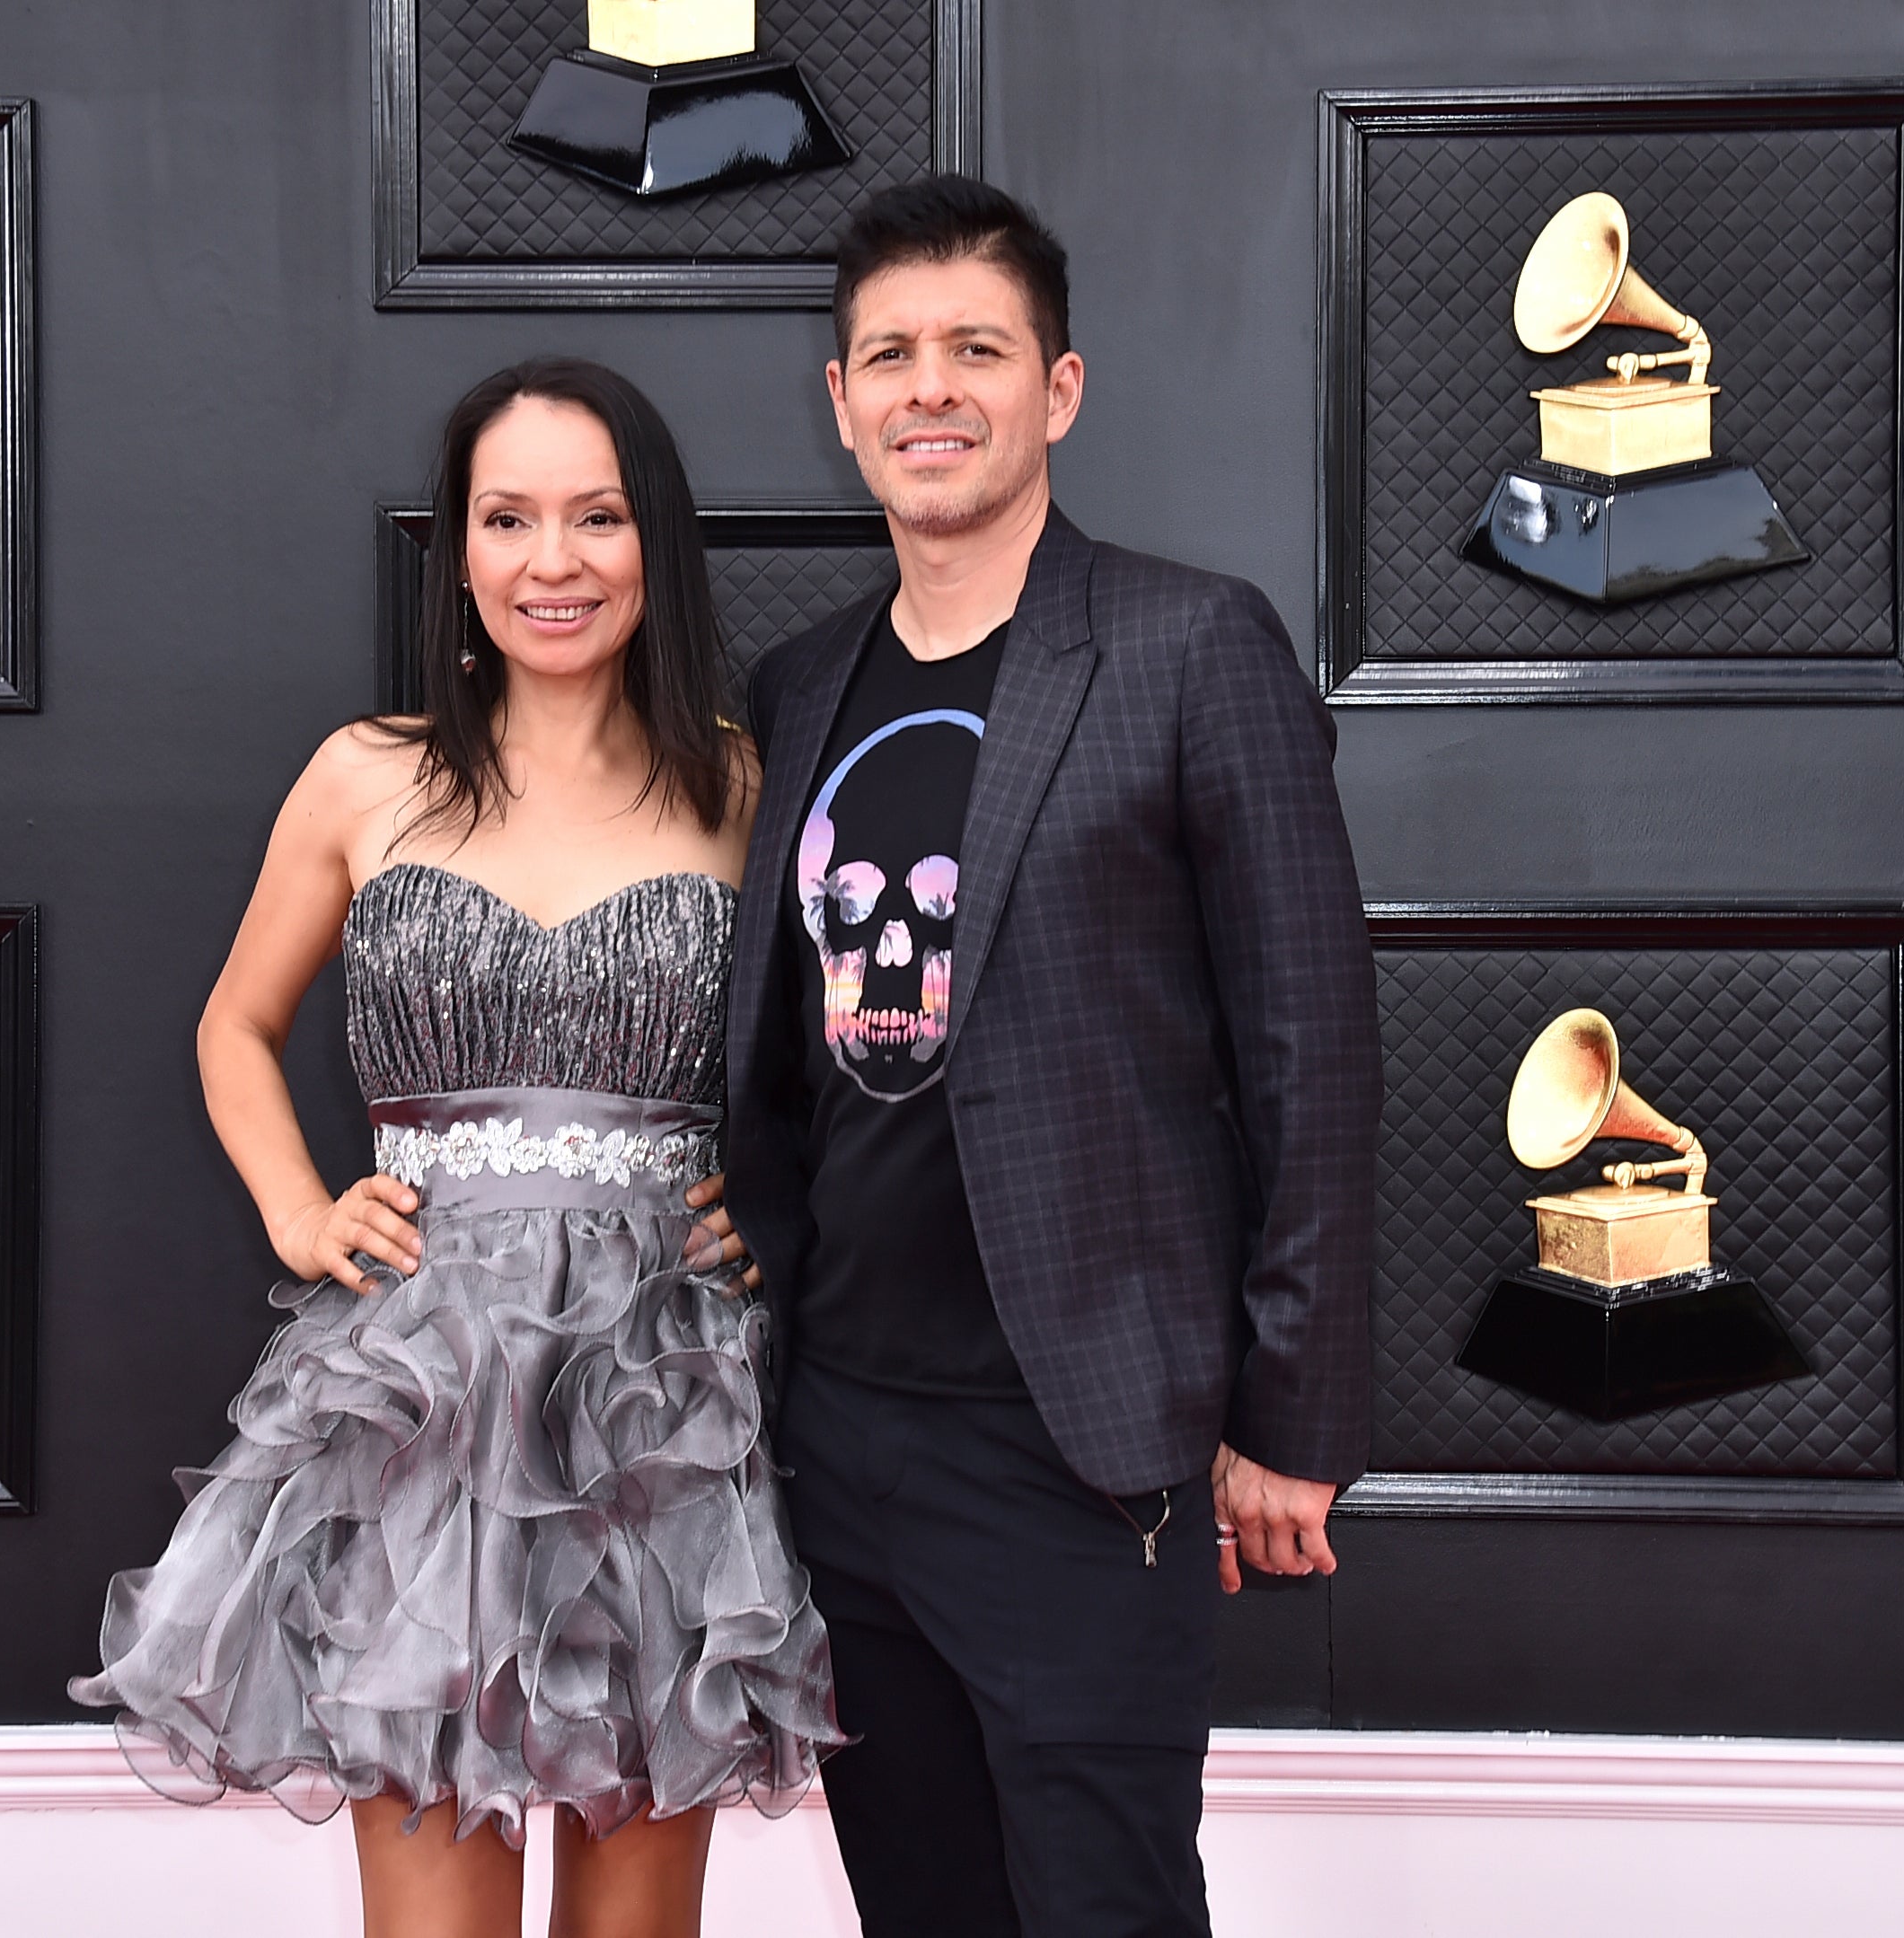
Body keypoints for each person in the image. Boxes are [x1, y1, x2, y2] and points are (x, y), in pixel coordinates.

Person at [72, 357, 841, 1938]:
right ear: (461, 550)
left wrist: (780, 1204)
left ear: (657, 545)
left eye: (597, 516)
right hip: (421, 1394)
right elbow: (233, 1025)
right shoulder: (368, 773)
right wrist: (296, 1204)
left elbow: (846, 1061)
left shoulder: (748, 786)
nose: (552, 560)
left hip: (659, 1398)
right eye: (509, 517)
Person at [720, 176, 1381, 1938]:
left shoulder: (1189, 645)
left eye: (975, 349)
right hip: (840, 1438)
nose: (929, 387)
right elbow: (780, 1062)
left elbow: (1312, 1038)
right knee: (919, 1906)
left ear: (1058, 389)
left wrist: (1287, 1416)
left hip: (1084, 1456)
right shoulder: (796, 688)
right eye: (890, 354)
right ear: (842, 400)